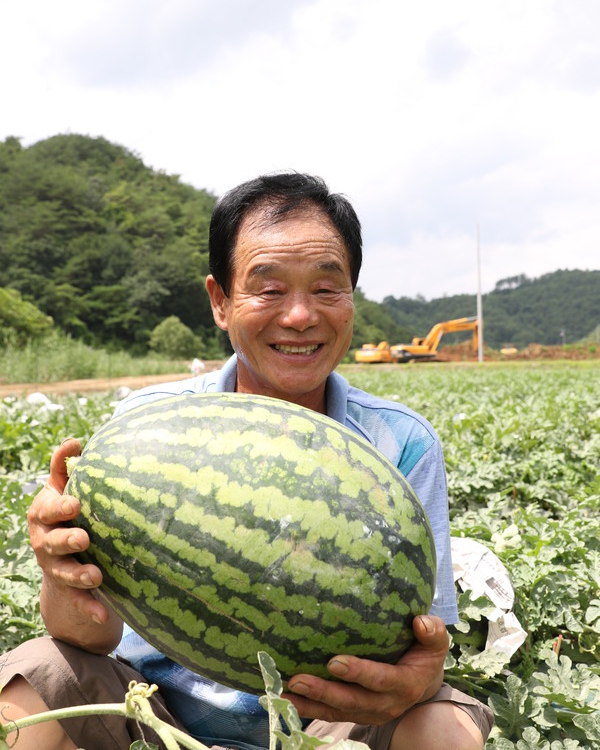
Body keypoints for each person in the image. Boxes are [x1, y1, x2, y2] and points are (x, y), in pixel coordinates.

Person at [0, 173, 493, 749]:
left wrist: (416, 678)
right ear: (220, 301)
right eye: (269, 289)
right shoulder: (146, 424)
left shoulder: (402, 443)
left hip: (327, 718)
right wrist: (63, 575)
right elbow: (87, 635)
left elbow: (417, 648)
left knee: (443, 725)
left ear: (352, 297)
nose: (301, 316)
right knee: (36, 676)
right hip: (154, 714)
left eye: (327, 289)